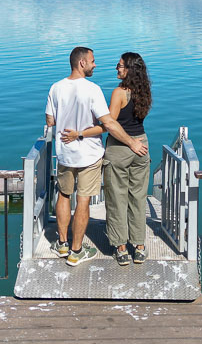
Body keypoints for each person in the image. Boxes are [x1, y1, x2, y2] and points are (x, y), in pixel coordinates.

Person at [45, 46, 148, 267]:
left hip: (65, 153)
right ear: (82, 63)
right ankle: (79, 250)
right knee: (86, 200)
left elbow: (50, 121)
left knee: (64, 195)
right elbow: (108, 122)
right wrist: (132, 142)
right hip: (92, 153)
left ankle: (64, 244)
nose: (95, 65)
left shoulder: (55, 88)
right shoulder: (94, 90)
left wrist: (70, 129)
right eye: (92, 61)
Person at [90, 52, 152, 265]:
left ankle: (122, 247)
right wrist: (135, 143)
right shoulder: (144, 91)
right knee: (138, 197)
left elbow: (110, 124)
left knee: (117, 199)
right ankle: (140, 245)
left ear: (129, 69)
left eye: (120, 66)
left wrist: (83, 131)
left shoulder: (119, 93)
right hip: (142, 144)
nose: (116, 69)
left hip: (120, 147)